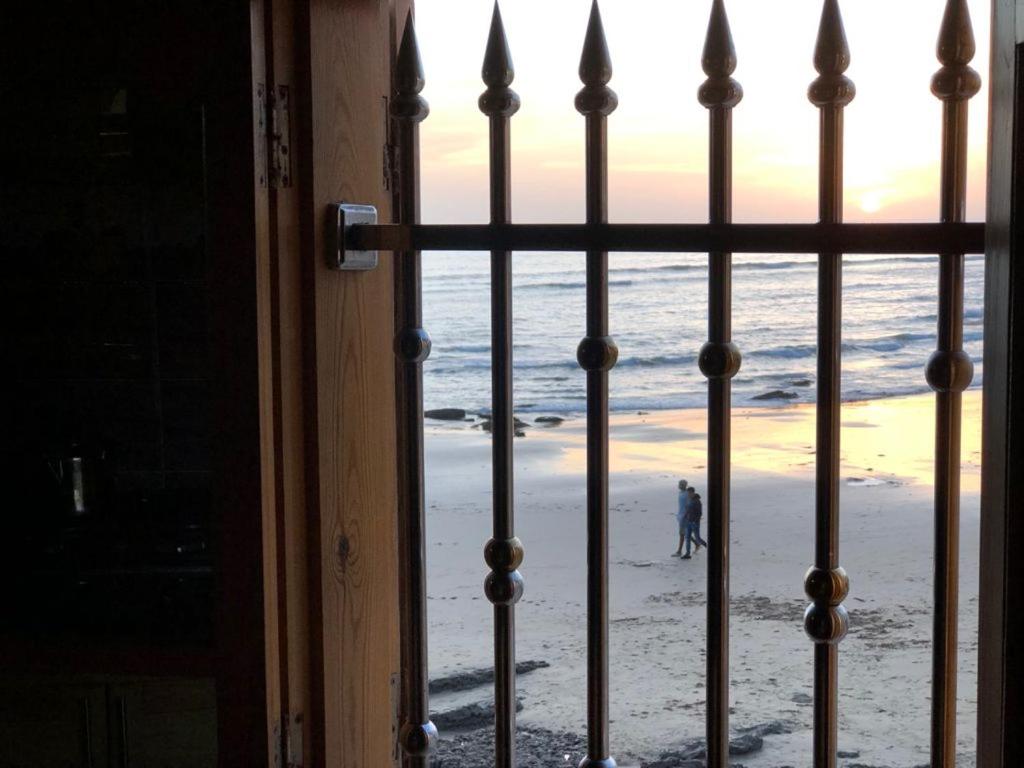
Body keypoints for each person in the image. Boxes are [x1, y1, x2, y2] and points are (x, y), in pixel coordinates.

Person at [681, 486, 707, 559]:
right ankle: (687, 554)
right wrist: (684, 518)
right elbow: (687, 510)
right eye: (687, 493)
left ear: (693, 492)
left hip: (694, 523)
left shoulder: (697, 501)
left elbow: (699, 513)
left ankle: (708, 546)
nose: (688, 494)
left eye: (689, 493)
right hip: (688, 522)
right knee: (687, 538)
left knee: (697, 538)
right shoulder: (689, 500)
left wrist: (695, 521)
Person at [672, 479, 689, 557]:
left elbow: (688, 506)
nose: (679, 485)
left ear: (684, 485)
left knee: (682, 533)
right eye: (679, 484)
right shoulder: (680, 493)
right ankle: (697, 544)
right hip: (680, 515)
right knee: (685, 533)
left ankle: (679, 551)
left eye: (680, 484)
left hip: (684, 516)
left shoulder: (687, 494)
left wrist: (685, 515)